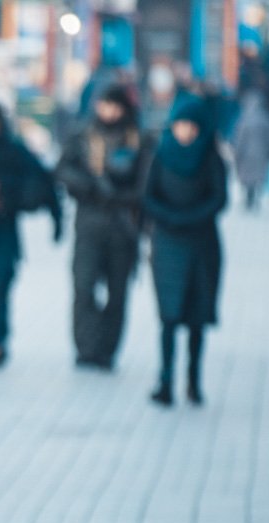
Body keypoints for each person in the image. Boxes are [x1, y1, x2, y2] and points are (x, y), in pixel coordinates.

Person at [56, 84, 153, 371]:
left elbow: (148, 181)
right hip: (89, 223)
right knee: (83, 287)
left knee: (117, 292)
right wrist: (88, 185)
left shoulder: (138, 139)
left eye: (115, 105)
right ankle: (86, 348)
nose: (109, 112)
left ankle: (107, 349)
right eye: (105, 104)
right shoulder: (83, 135)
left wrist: (126, 197)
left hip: (123, 226)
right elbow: (63, 170)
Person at [0, 100, 63, 367]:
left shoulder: (14, 150)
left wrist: (55, 218)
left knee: (3, 287)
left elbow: (43, 181)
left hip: (4, 231)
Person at [142, 100, 228, 407]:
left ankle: (193, 380)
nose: (186, 132)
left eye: (192, 126)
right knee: (168, 317)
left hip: (202, 245)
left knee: (196, 318)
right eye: (181, 125)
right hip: (167, 245)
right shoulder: (162, 155)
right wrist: (170, 218)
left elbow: (219, 198)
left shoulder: (210, 158)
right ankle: (165, 381)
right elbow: (148, 197)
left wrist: (190, 218)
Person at [232, 90, 269, 211]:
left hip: (246, 154)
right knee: (257, 177)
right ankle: (254, 198)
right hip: (261, 153)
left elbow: (239, 139)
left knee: (247, 178)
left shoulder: (243, 119)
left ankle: (249, 198)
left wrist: (237, 152)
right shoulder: (265, 118)